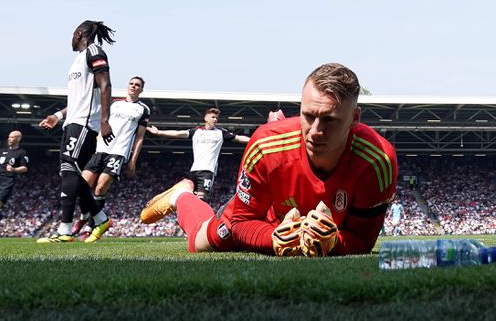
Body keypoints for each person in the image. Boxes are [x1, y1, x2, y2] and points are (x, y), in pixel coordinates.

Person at [140, 63, 398, 257]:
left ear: (354, 118)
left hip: (310, 224)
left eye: (330, 120)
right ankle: (181, 196)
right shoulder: (266, 145)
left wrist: (331, 243)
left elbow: (363, 240)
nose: (315, 130)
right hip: (264, 216)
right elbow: (241, 223)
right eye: (308, 116)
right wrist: (275, 239)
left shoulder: (378, 161)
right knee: (200, 243)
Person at [37, 20, 115, 244]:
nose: (71, 39)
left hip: (84, 124)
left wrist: (105, 120)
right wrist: (58, 116)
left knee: (69, 171)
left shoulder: (94, 51)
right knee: (70, 174)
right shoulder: (78, 60)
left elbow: (106, 85)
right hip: (72, 122)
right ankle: (100, 219)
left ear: (79, 33)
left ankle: (65, 230)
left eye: (72, 34)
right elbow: (78, 99)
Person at [73, 76, 151, 238]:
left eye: (137, 85)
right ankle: (84, 217)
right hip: (100, 149)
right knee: (82, 186)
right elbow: (100, 121)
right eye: (131, 83)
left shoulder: (143, 109)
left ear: (141, 90)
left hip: (119, 152)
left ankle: (91, 228)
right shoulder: (114, 103)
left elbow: (140, 137)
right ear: (127, 86)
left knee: (100, 188)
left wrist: (133, 160)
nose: (134, 86)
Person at [146, 108, 250, 199]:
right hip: (194, 169)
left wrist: (255, 140)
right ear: (205, 118)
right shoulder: (196, 131)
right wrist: (159, 132)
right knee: (190, 197)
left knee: (201, 197)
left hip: (208, 170)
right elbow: (178, 133)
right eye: (213, 117)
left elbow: (238, 138)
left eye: (216, 118)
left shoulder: (221, 133)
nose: (215, 120)